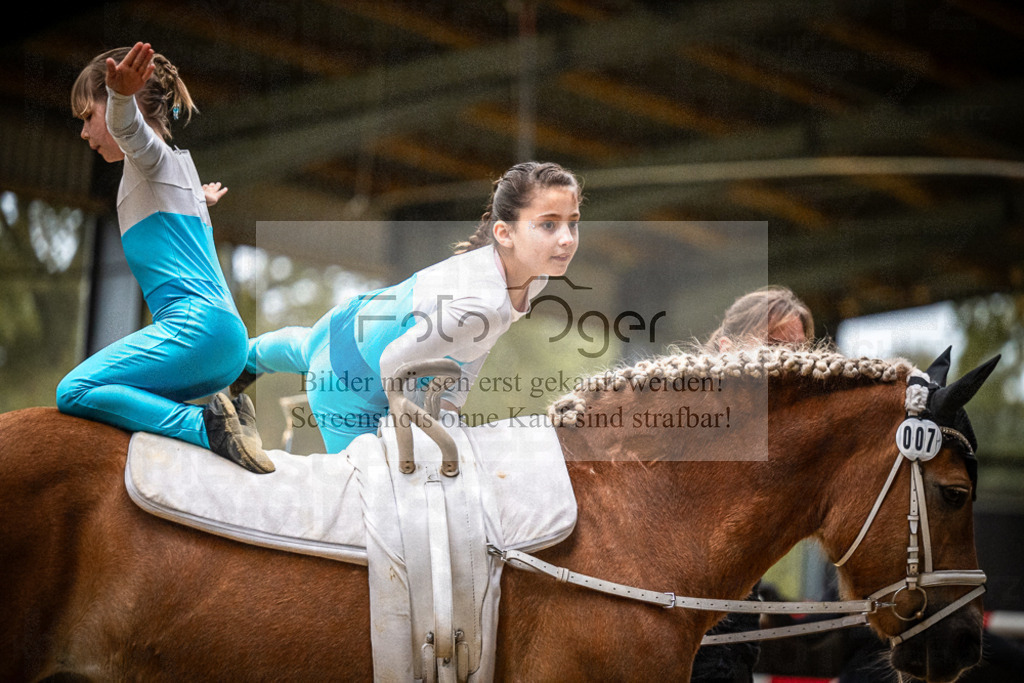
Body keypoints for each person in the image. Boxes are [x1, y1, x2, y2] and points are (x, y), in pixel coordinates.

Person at [231, 162, 582, 452]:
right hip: (348, 392)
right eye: (549, 224)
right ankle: (240, 365)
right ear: (504, 233)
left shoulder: (530, 277)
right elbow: (393, 361)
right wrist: (417, 423)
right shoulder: (487, 304)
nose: (566, 238)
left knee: (306, 346)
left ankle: (247, 357)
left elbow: (477, 348)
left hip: (350, 320)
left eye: (573, 222)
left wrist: (449, 407)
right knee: (364, 494)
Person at [56, 42, 272, 474]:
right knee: (129, 401)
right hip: (225, 343)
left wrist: (119, 99)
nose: (84, 132)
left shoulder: (148, 157)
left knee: (75, 390)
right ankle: (229, 421)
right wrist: (199, 201)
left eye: (87, 116)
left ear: (127, 105)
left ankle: (206, 427)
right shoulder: (171, 171)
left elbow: (130, 131)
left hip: (195, 331)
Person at [691, 285, 814, 683]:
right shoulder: (689, 421)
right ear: (727, 348)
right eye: (774, 347)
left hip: (735, 638)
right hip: (679, 632)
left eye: (799, 352)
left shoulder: (774, 434)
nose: (790, 363)